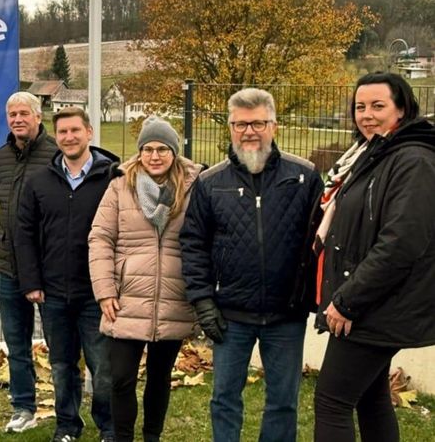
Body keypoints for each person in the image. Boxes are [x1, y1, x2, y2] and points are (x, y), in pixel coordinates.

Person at [179, 88, 323, 442]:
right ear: (230, 127)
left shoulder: (304, 177)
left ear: (274, 125)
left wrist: (313, 298)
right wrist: (202, 301)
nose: (249, 131)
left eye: (258, 122)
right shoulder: (211, 182)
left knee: (283, 402)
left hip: (285, 315)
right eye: (240, 124)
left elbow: (321, 242)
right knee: (224, 399)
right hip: (229, 315)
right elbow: (193, 244)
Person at [313, 72, 435, 442]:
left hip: (377, 305)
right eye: (360, 107)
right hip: (376, 301)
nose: (366, 115)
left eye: (378, 106)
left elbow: (401, 242)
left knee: (332, 402)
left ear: (402, 107)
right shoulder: (376, 154)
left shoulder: (413, 160)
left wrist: (348, 301)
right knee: (371, 396)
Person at [89, 118, 200, 442]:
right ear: (139, 153)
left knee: (159, 377)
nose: (154, 155)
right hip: (126, 298)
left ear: (174, 152)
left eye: (162, 149)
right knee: (120, 377)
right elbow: (100, 238)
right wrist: (105, 290)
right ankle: (122, 437)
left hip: (173, 298)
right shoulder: (120, 186)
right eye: (148, 149)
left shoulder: (194, 187)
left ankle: (152, 435)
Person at [15, 107, 117, 442]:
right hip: (54, 293)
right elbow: (25, 234)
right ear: (55, 137)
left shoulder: (113, 177)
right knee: (61, 367)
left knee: (103, 369)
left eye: (75, 130)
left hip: (97, 294)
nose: (69, 137)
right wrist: (31, 282)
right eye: (63, 133)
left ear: (89, 132)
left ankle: (108, 427)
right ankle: (67, 426)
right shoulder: (39, 181)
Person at [0, 90, 58, 433]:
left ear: (38, 117)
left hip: (48, 269)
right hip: (8, 266)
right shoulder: (1, 156)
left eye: (24, 114)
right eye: (12, 114)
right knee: (16, 344)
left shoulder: (55, 154)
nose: (17, 119)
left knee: (60, 344)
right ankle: (23, 407)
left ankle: (67, 408)